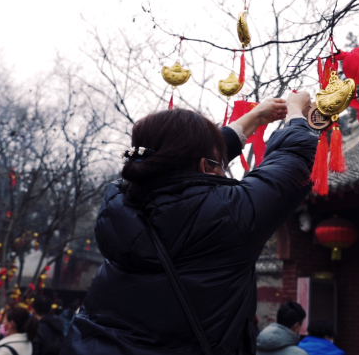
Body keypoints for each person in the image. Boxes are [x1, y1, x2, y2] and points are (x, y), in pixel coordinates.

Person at [61, 92, 317, 355]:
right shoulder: (228, 216)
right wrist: (299, 114)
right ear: (207, 165)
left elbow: (185, 165)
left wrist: (255, 117)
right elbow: (292, 159)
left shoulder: (120, 208)